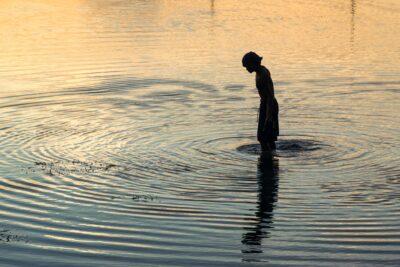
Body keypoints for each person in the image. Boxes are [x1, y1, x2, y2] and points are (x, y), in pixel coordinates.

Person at [242, 52, 279, 152]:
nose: (246, 69)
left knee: (263, 137)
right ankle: (271, 156)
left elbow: (271, 96)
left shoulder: (263, 74)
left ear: (253, 63)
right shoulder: (259, 72)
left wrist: (268, 116)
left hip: (269, 106)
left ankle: (268, 159)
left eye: (247, 66)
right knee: (267, 137)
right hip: (265, 104)